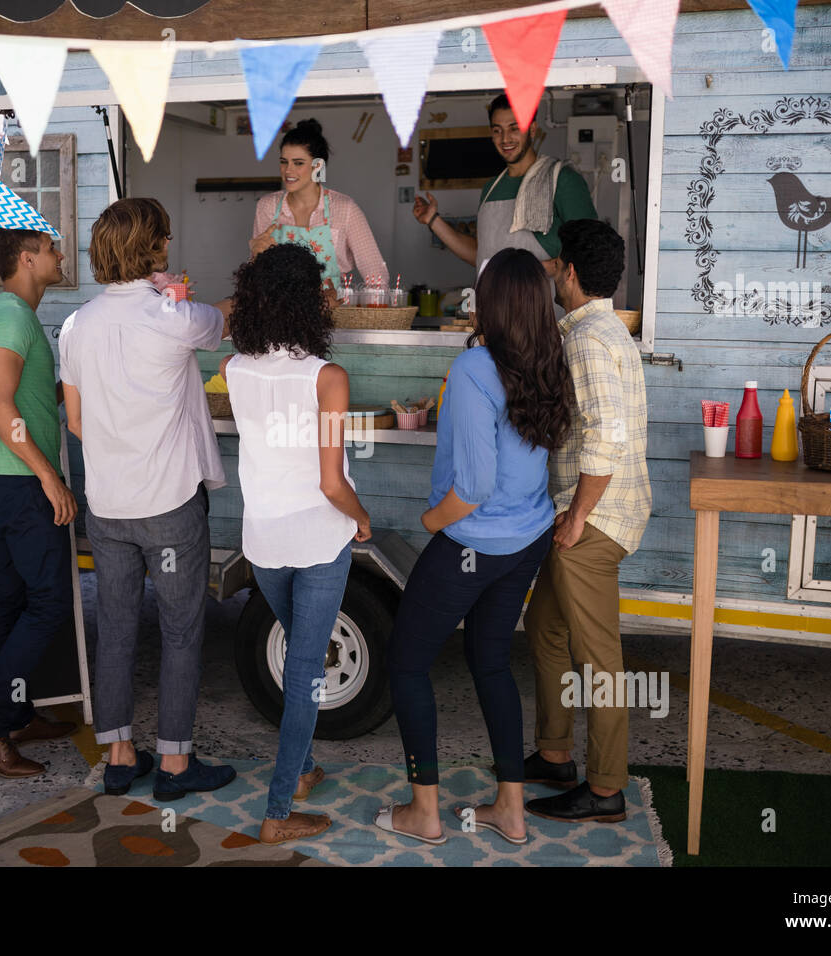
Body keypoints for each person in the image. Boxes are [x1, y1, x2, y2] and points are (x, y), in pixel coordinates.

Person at [375, 247, 572, 846]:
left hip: (471, 542)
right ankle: (510, 810)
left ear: (490, 305)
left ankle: (425, 813)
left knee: (406, 663)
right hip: (528, 538)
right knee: (489, 662)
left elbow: (476, 487)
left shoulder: (474, 369)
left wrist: (434, 520)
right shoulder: (547, 359)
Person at [59, 198, 237, 801]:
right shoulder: (174, 318)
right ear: (153, 248)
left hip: (107, 506)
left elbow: (78, 423)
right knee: (181, 632)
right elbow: (228, 319)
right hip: (168, 505)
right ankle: (175, 766)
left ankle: (117, 757)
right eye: (165, 238)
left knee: (114, 628)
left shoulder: (76, 325)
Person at [219, 243, 372, 845]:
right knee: (307, 670)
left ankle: (303, 769)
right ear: (311, 303)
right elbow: (332, 482)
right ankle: (278, 812)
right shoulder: (328, 378)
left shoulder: (237, 368)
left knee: (302, 660)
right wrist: (363, 520)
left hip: (262, 543)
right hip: (318, 536)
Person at [522, 219, 651, 824]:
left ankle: (605, 790)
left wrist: (576, 517)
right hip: (589, 511)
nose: (550, 272)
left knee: (599, 658)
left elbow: (605, 437)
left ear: (569, 272)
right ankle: (554, 754)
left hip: (592, 518)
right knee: (546, 629)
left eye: (555, 264)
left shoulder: (588, 339)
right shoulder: (599, 329)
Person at [0, 226, 78, 778]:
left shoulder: (17, 316)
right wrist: (49, 478)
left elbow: (24, 397)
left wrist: (72, 384)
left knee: (13, 601)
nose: (61, 255)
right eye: (53, 249)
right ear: (29, 260)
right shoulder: (10, 317)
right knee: (48, 603)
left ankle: (12, 715)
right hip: (19, 482)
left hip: (7, 481)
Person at [413, 93, 597, 280]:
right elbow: (481, 255)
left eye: (514, 128)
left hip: (544, 307)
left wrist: (523, 272)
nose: (505, 139)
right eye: (497, 130)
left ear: (532, 129)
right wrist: (433, 220)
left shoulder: (562, 180)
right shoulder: (490, 189)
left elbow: (591, 250)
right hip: (494, 307)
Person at [249, 119, 389, 294]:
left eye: (298, 163)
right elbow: (257, 274)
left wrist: (372, 313)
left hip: (330, 316)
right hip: (277, 315)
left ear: (318, 166)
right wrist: (255, 257)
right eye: (284, 161)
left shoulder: (345, 209)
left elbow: (376, 277)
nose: (288, 170)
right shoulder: (268, 206)